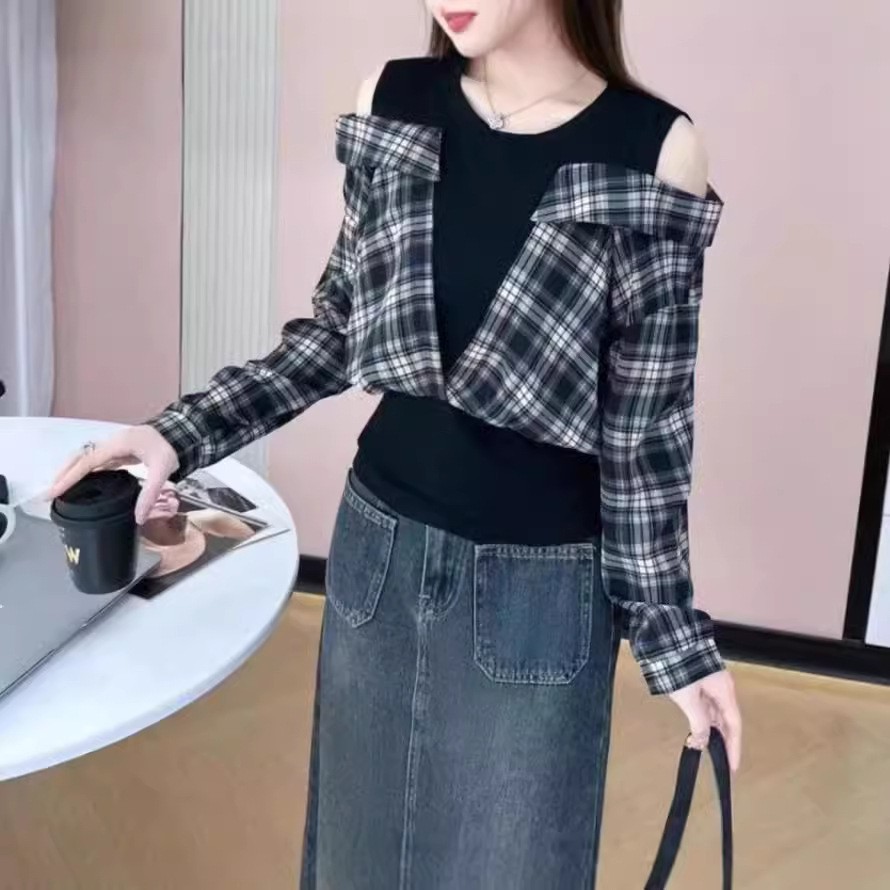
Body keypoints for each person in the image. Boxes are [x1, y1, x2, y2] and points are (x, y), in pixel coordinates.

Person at [52, 1, 742, 886]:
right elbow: (337, 332)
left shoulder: (655, 151)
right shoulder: (394, 101)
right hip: (377, 562)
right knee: (356, 860)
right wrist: (175, 435)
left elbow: (644, 440)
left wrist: (675, 643)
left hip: (539, 602)